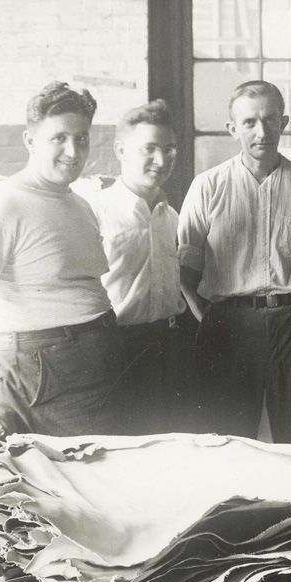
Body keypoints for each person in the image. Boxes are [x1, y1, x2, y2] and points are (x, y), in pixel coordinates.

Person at [0, 81, 122, 436]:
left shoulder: (79, 204)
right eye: (59, 138)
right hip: (42, 370)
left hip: (96, 358)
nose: (73, 151)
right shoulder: (3, 205)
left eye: (82, 138)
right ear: (30, 141)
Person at [177, 80, 291, 443]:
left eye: (270, 120)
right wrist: (217, 318)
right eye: (249, 122)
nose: (261, 131)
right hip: (228, 327)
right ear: (233, 129)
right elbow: (186, 272)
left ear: (284, 122)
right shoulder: (208, 186)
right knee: (227, 439)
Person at [88, 99, 196, 434]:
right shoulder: (95, 212)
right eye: (148, 148)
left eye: (170, 149)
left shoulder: (172, 217)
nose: (162, 160)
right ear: (121, 150)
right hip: (115, 351)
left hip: (169, 349)